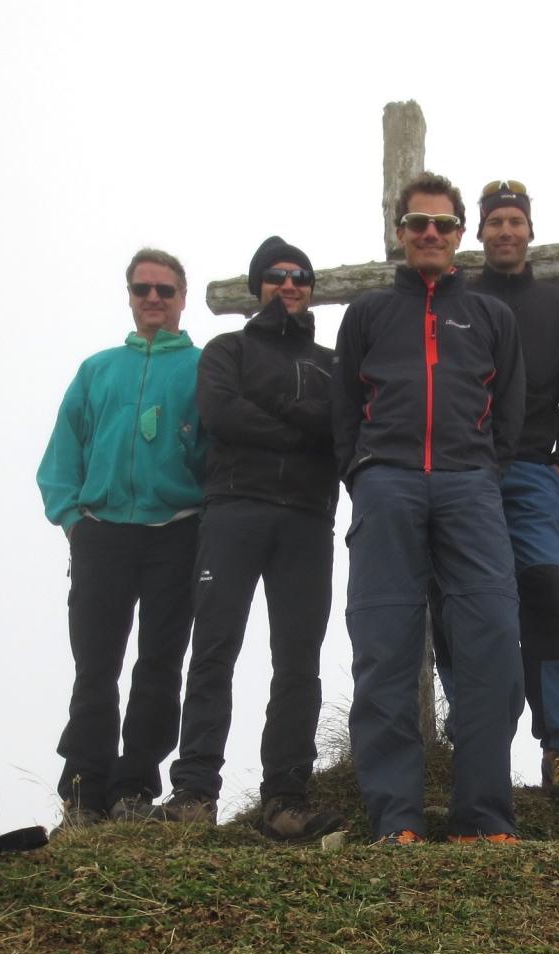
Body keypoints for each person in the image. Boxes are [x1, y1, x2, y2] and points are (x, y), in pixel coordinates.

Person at [332, 171, 527, 845]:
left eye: (443, 225)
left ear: (459, 235)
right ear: (400, 232)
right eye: (418, 223)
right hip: (386, 484)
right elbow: (341, 411)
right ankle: (396, 820)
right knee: (384, 650)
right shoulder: (366, 315)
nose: (430, 234)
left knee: (494, 645)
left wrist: (479, 470)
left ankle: (482, 817)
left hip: (470, 486)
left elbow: (510, 412)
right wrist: (364, 475)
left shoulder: (493, 317)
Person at [160, 236, 343, 841]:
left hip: (308, 519)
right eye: (275, 276)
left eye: (299, 277)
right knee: (214, 649)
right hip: (235, 509)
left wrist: (274, 417)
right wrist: (302, 427)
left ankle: (285, 798)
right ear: (257, 285)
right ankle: (194, 791)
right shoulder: (227, 349)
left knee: (299, 660)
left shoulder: (331, 363)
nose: (288, 285)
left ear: (311, 288)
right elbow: (220, 414)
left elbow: (341, 430)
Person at [430, 179, 559, 803]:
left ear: (530, 231)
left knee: (548, 593)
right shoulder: (455, 299)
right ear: (478, 234)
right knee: (455, 597)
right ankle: (475, 728)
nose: (505, 231)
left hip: (530, 470)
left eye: (515, 221)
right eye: (494, 221)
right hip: (461, 472)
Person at [37, 248, 204, 829]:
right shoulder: (97, 370)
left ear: (184, 297)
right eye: (142, 290)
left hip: (177, 534)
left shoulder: (204, 368)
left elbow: (218, 451)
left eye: (164, 290)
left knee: (160, 663)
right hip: (102, 534)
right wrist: (73, 519)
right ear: (129, 297)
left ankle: (134, 788)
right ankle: (84, 793)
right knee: (96, 666)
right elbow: (62, 454)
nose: (153, 299)